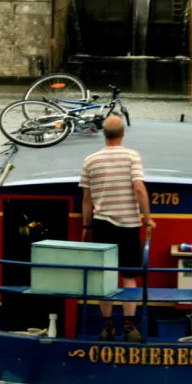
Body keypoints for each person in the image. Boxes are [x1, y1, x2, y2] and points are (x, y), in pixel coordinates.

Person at [79, 115, 154, 341]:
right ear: (122, 134)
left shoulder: (90, 161)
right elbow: (139, 188)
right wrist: (147, 218)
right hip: (129, 224)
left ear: (104, 134)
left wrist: (86, 226)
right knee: (129, 276)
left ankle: (107, 326)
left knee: (106, 277)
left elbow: (86, 200)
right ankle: (130, 328)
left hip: (102, 224)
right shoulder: (132, 156)